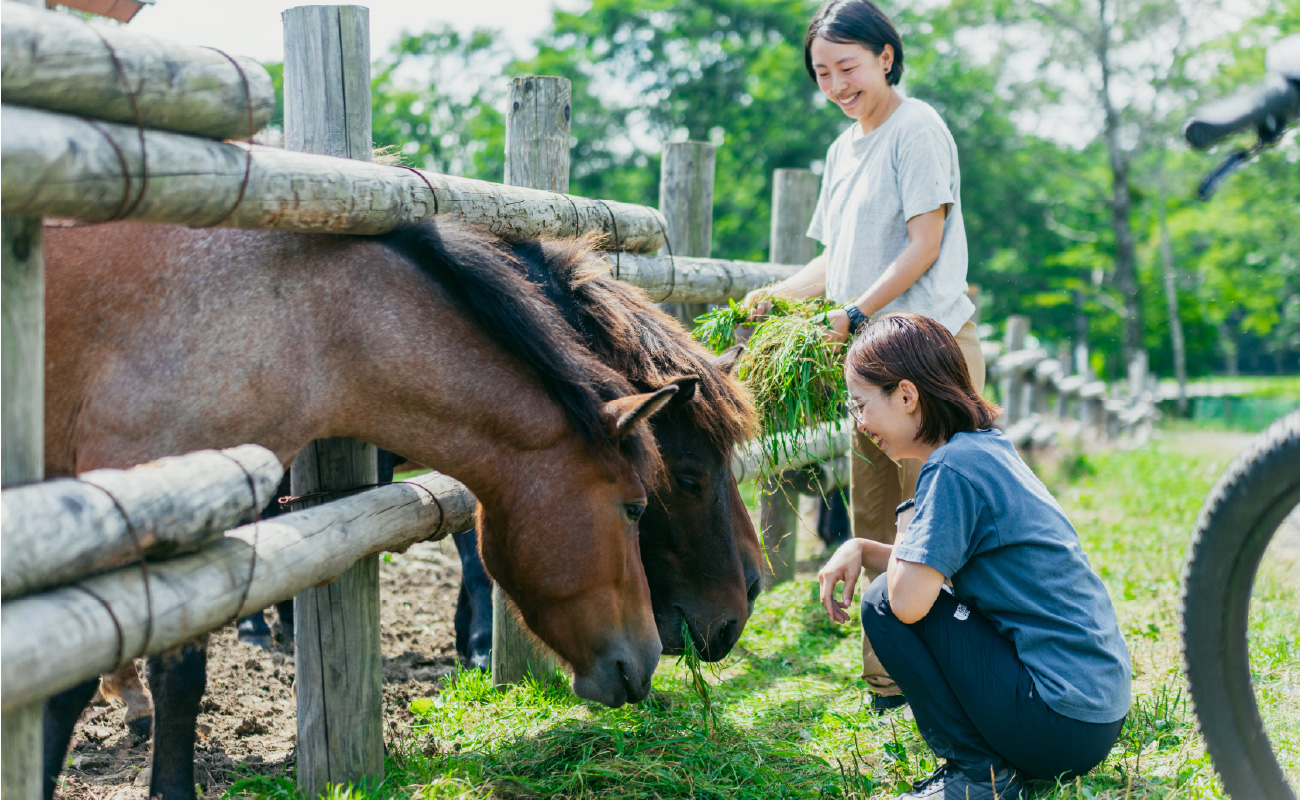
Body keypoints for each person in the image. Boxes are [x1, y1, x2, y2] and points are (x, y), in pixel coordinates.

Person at [743, 0, 984, 709]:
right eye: (823, 72)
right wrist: (779, 296)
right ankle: (890, 684)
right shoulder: (841, 150)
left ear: (885, 55)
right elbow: (834, 258)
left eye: (848, 66)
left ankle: (969, 677)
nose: (837, 84)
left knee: (946, 523)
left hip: (931, 352)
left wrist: (852, 314)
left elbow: (924, 244)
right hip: (872, 367)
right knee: (876, 520)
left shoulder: (918, 128)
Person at [818, 314, 1131, 800]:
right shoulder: (982, 449)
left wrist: (906, 516)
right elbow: (925, 568)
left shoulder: (952, 470)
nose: (860, 423)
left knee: (881, 602)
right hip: (1091, 713)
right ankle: (986, 765)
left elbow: (906, 603)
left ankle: (979, 775)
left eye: (861, 405)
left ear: (906, 395)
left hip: (1060, 722)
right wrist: (859, 546)